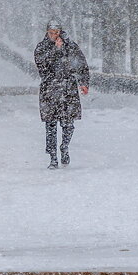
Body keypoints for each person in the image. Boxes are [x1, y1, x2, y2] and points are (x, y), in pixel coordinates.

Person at [34, 20, 90, 169]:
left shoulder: (70, 46)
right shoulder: (41, 47)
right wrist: (55, 50)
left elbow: (81, 63)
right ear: (47, 32)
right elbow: (42, 67)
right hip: (50, 90)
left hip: (68, 90)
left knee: (68, 124)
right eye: (51, 33)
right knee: (50, 125)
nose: (54, 35)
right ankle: (53, 157)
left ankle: (64, 146)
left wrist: (83, 82)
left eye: (56, 33)